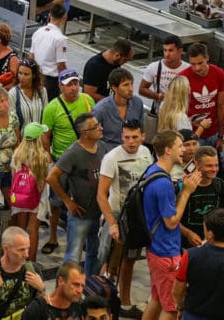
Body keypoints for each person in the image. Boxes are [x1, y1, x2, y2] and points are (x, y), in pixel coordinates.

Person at [96, 121, 153, 318]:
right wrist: (112, 222)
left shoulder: (146, 153)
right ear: (122, 137)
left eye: (135, 137)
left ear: (143, 136)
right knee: (110, 263)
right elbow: (101, 195)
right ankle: (104, 303)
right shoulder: (111, 158)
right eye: (127, 137)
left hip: (137, 217)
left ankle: (126, 303)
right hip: (117, 215)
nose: (131, 142)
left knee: (130, 261)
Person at [142, 130, 200, 320]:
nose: (184, 149)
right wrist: (186, 193)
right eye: (180, 146)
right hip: (165, 251)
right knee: (171, 307)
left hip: (154, 248)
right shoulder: (163, 183)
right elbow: (171, 221)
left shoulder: (152, 170)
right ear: (168, 150)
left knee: (157, 299)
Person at [47, 113, 108, 275]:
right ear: (85, 133)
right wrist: (67, 202)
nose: (101, 128)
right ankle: (66, 292)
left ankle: (88, 287)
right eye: (96, 126)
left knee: (94, 253)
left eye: (99, 124)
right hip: (80, 215)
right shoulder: (73, 153)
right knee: (73, 257)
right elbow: (51, 177)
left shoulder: (102, 147)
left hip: (98, 212)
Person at [172, 208, 224, 320]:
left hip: (193, 315)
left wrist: (181, 307)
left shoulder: (190, 255)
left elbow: (177, 291)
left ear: (210, 234)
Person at [178, 146, 224, 249]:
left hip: (213, 245)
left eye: (216, 165)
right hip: (185, 246)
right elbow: (172, 219)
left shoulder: (221, 186)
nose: (214, 169)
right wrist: (188, 234)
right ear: (196, 164)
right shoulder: (183, 187)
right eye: (209, 166)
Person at [139, 35, 189, 120]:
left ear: (180, 51)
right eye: (165, 50)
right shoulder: (154, 67)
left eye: (171, 50)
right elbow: (142, 89)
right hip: (160, 114)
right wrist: (159, 96)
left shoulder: (188, 69)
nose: (167, 54)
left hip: (181, 115)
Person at [21, 262, 86, 320]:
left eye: (82, 286)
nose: (79, 291)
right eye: (75, 284)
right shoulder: (37, 309)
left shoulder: (80, 308)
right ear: (61, 281)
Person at [29, 4, 68, 98]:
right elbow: (61, 65)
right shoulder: (60, 39)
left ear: (50, 15)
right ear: (64, 19)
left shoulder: (38, 32)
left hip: (37, 76)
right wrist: (65, 81)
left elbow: (31, 57)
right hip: (51, 81)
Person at [10, 59, 47, 127]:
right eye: (20, 73)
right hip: (21, 136)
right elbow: (13, 122)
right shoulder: (13, 93)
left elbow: (46, 115)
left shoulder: (42, 91)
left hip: (39, 136)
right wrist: (19, 138)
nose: (22, 77)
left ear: (34, 75)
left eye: (26, 74)